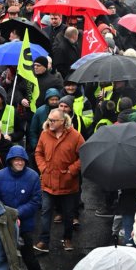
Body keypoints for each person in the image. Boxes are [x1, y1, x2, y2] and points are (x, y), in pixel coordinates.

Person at [0, 146, 47, 270]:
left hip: (25, 225)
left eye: (21, 160)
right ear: (10, 161)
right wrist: (7, 215)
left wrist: (17, 213)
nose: (19, 162)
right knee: (3, 258)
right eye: (16, 159)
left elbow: (36, 201)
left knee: (29, 257)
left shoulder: (33, 176)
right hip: (3, 222)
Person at [34, 107, 84, 253]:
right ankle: (44, 240)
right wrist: (43, 168)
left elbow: (83, 156)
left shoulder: (76, 136)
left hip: (68, 183)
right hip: (48, 182)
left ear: (63, 121)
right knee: (46, 212)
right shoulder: (44, 134)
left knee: (69, 214)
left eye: (53, 120)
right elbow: (38, 153)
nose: (50, 123)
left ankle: (67, 239)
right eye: (49, 120)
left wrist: (71, 171)